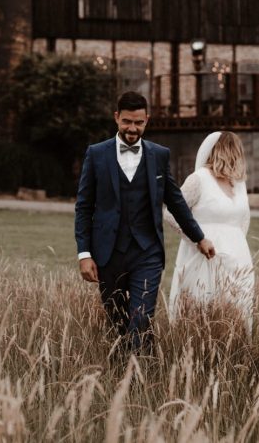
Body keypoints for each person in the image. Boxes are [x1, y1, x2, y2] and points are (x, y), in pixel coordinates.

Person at [75, 91, 216, 354]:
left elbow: (175, 201)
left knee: (141, 317)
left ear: (147, 120)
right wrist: (84, 254)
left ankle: (138, 376)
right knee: (118, 322)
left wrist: (199, 237)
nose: (132, 128)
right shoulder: (96, 154)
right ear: (116, 118)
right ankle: (129, 370)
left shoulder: (159, 155)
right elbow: (84, 207)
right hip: (108, 253)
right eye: (127, 121)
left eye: (138, 122)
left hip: (147, 252)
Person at [166, 131, 254, 333]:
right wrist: (197, 239)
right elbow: (172, 213)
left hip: (237, 260)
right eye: (232, 151)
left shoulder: (239, 183)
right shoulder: (199, 179)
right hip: (203, 256)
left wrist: (235, 246)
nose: (236, 157)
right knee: (201, 307)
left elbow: (243, 219)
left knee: (236, 310)